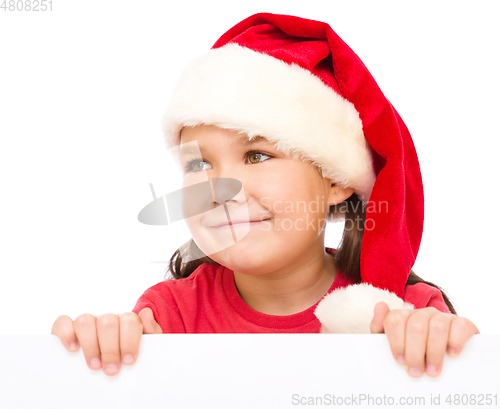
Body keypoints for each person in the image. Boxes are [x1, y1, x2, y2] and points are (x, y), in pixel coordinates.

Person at [51, 12, 479, 378]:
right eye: (198, 165)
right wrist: (103, 347)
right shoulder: (169, 317)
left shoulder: (405, 314)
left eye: (257, 155)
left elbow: (469, 380)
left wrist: (448, 347)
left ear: (334, 180)